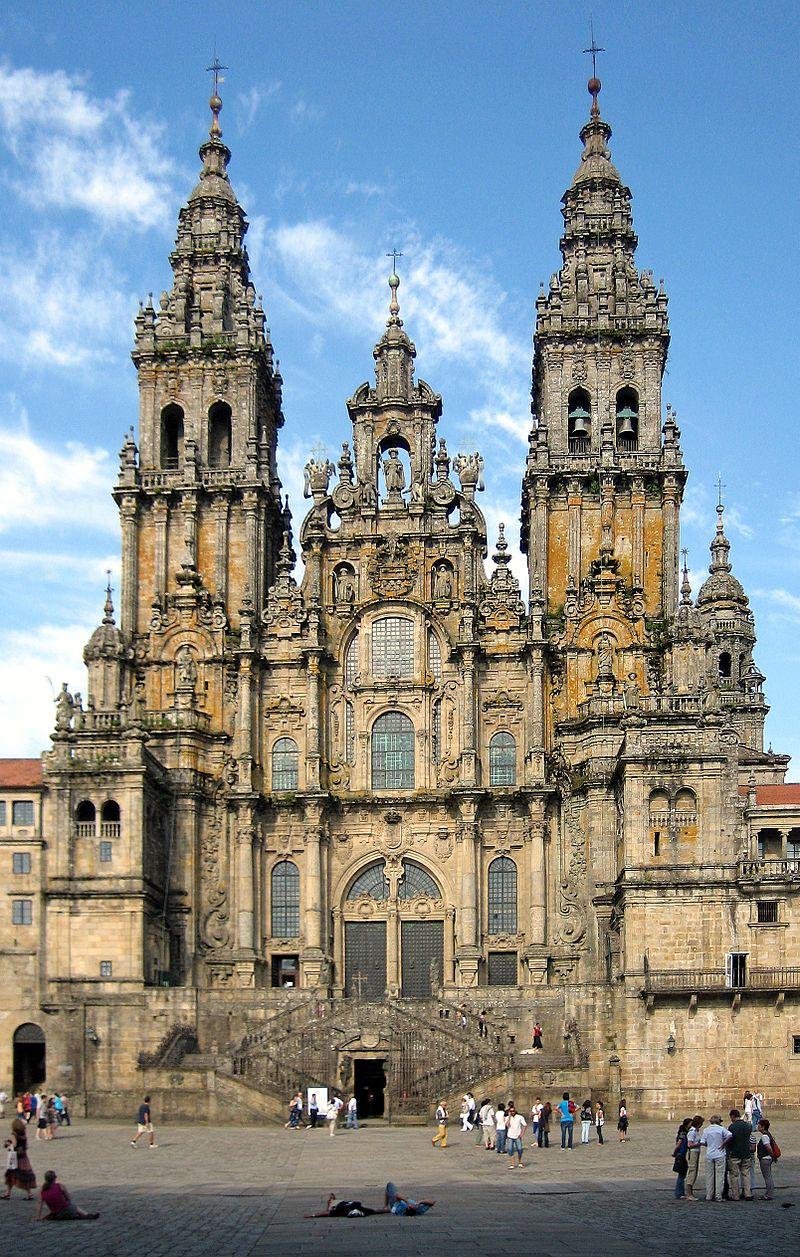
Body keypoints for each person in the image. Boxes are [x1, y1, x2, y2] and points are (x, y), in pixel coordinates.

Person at [34, 1170, 99, 1221]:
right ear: (55, 1178)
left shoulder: (42, 1191)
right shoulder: (60, 1186)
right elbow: (69, 1198)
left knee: (58, 1210)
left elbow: (39, 1205)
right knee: (73, 1206)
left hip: (57, 1215)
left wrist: (37, 1217)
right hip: (69, 1210)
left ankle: (85, 1216)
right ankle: (87, 1215)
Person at [2, 1118, 36, 1198]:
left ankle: (8, 1193)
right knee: (25, 1174)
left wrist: (7, 1144)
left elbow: (14, 1144)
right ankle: (29, 1193)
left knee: (11, 1174)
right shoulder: (23, 1134)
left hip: (15, 1157)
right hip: (24, 1156)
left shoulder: (14, 1134)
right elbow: (26, 1146)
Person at [726, 1108, 753, 1200]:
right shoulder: (748, 1126)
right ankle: (748, 1194)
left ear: (732, 1116)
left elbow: (730, 1141)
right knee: (746, 1174)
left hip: (735, 1153)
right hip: (746, 1153)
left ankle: (735, 1195)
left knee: (734, 1175)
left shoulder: (732, 1127)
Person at [701, 1113, 728, 1201]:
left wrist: (708, 1145)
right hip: (720, 1154)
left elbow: (702, 1142)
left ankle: (709, 1195)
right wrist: (723, 1144)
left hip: (709, 1154)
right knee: (720, 1176)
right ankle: (718, 1195)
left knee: (709, 1175)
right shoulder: (721, 1129)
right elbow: (730, 1135)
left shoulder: (706, 1130)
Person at [754, 1118, 776, 1200]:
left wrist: (772, 1156)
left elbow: (768, 1147)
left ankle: (769, 1194)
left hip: (765, 1158)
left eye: (759, 1125)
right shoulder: (768, 1134)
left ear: (763, 1127)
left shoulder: (764, 1136)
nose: (758, 1127)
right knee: (768, 1176)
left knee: (767, 1177)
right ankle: (769, 1193)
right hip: (768, 1158)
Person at [684, 1115, 704, 1201]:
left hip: (696, 1152)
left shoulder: (695, 1131)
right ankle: (688, 1193)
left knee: (694, 1172)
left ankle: (690, 1192)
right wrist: (700, 1144)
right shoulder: (692, 1132)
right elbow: (689, 1144)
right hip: (693, 1153)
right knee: (692, 1171)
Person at [672, 1118, 691, 1200]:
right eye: (690, 1123)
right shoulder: (683, 1133)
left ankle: (680, 1192)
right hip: (681, 1155)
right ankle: (679, 1193)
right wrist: (675, 1152)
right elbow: (679, 1143)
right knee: (682, 1175)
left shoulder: (684, 1132)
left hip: (681, 1154)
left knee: (682, 1175)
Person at [505, 1104, 527, 1168]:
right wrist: (509, 1117)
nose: (512, 1112)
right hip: (510, 1136)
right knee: (510, 1149)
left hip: (517, 1136)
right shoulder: (508, 1118)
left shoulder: (520, 1117)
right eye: (511, 1111)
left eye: (513, 1111)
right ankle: (512, 1164)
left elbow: (525, 1125)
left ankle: (520, 1162)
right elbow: (507, 1125)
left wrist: (522, 1133)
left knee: (520, 1149)